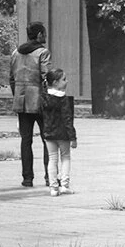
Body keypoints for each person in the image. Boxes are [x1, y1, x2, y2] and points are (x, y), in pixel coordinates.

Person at [9, 23, 49, 189]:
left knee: (26, 140)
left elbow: (11, 78)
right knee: (48, 139)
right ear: (39, 35)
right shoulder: (42, 52)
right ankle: (50, 176)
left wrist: (17, 94)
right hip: (39, 100)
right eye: (44, 33)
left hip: (21, 100)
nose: (45, 37)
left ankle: (27, 178)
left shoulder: (16, 52)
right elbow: (46, 77)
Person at [38, 67, 78, 195]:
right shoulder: (64, 99)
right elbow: (67, 119)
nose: (67, 81)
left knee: (52, 159)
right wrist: (73, 137)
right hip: (63, 134)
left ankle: (53, 187)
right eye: (64, 79)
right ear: (56, 82)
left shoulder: (44, 98)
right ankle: (64, 185)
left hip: (48, 133)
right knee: (65, 158)